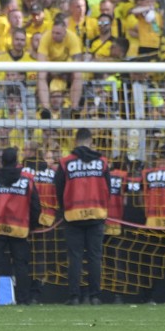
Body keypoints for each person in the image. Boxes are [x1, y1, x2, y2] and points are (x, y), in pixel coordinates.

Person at [0, 147, 41, 305]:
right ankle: (23, 298)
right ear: (16, 161)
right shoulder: (27, 179)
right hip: (19, 227)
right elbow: (35, 205)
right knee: (21, 264)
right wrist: (32, 225)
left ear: (2, 161)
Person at [55, 128, 111, 305]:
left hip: (73, 214)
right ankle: (94, 295)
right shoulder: (102, 162)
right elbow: (108, 188)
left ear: (75, 141)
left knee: (75, 257)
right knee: (95, 256)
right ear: (91, 141)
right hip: (96, 213)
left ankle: (74, 296)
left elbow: (58, 188)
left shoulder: (65, 162)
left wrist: (64, 208)